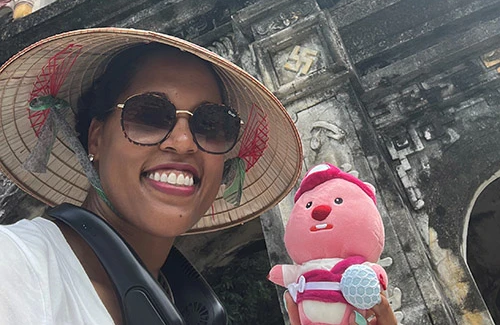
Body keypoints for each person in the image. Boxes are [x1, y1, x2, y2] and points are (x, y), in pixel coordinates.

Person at [0, 27, 397, 325]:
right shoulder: (17, 264)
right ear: (97, 137)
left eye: (211, 124)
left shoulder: (179, 301)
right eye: (149, 115)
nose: (184, 142)